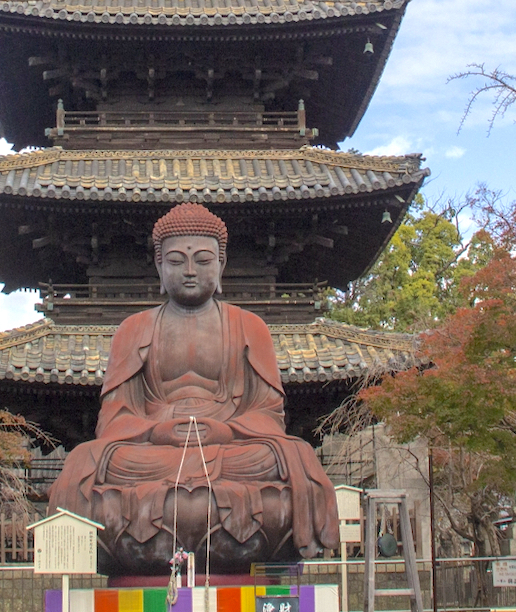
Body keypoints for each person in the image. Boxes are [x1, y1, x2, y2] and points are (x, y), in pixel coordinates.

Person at [47, 202, 340, 573]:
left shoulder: (250, 327)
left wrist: (226, 428)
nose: (189, 271)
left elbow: (268, 412)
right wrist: (156, 429)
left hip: (230, 447)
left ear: (222, 265)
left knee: (292, 455)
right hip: (154, 450)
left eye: (202, 260)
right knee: (85, 459)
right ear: (158, 266)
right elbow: (115, 416)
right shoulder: (133, 329)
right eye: (175, 261)